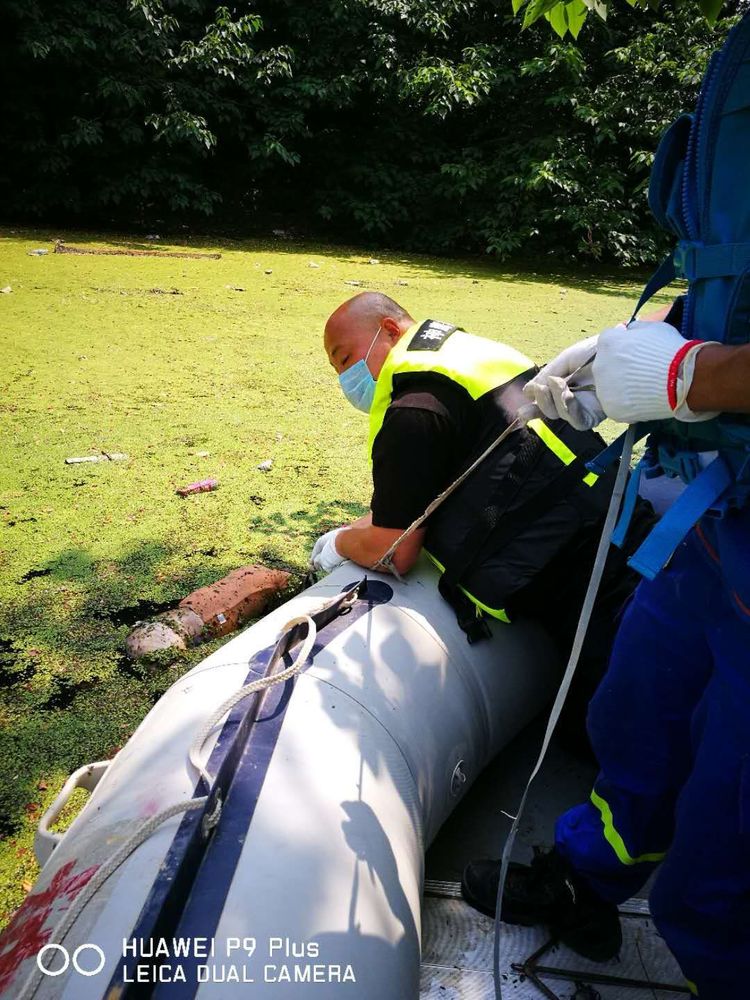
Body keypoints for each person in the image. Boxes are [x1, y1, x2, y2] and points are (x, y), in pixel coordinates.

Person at [461, 316, 750, 995]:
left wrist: (690, 376)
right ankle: (584, 876)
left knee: (726, 824)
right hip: (722, 517)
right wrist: (659, 337)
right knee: (638, 706)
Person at [312, 290, 656, 754]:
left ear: (390, 330)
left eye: (346, 358)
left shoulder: (412, 411)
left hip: (587, 580)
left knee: (611, 736)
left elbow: (394, 551)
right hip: (624, 526)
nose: (345, 379)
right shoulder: (469, 359)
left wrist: (338, 544)